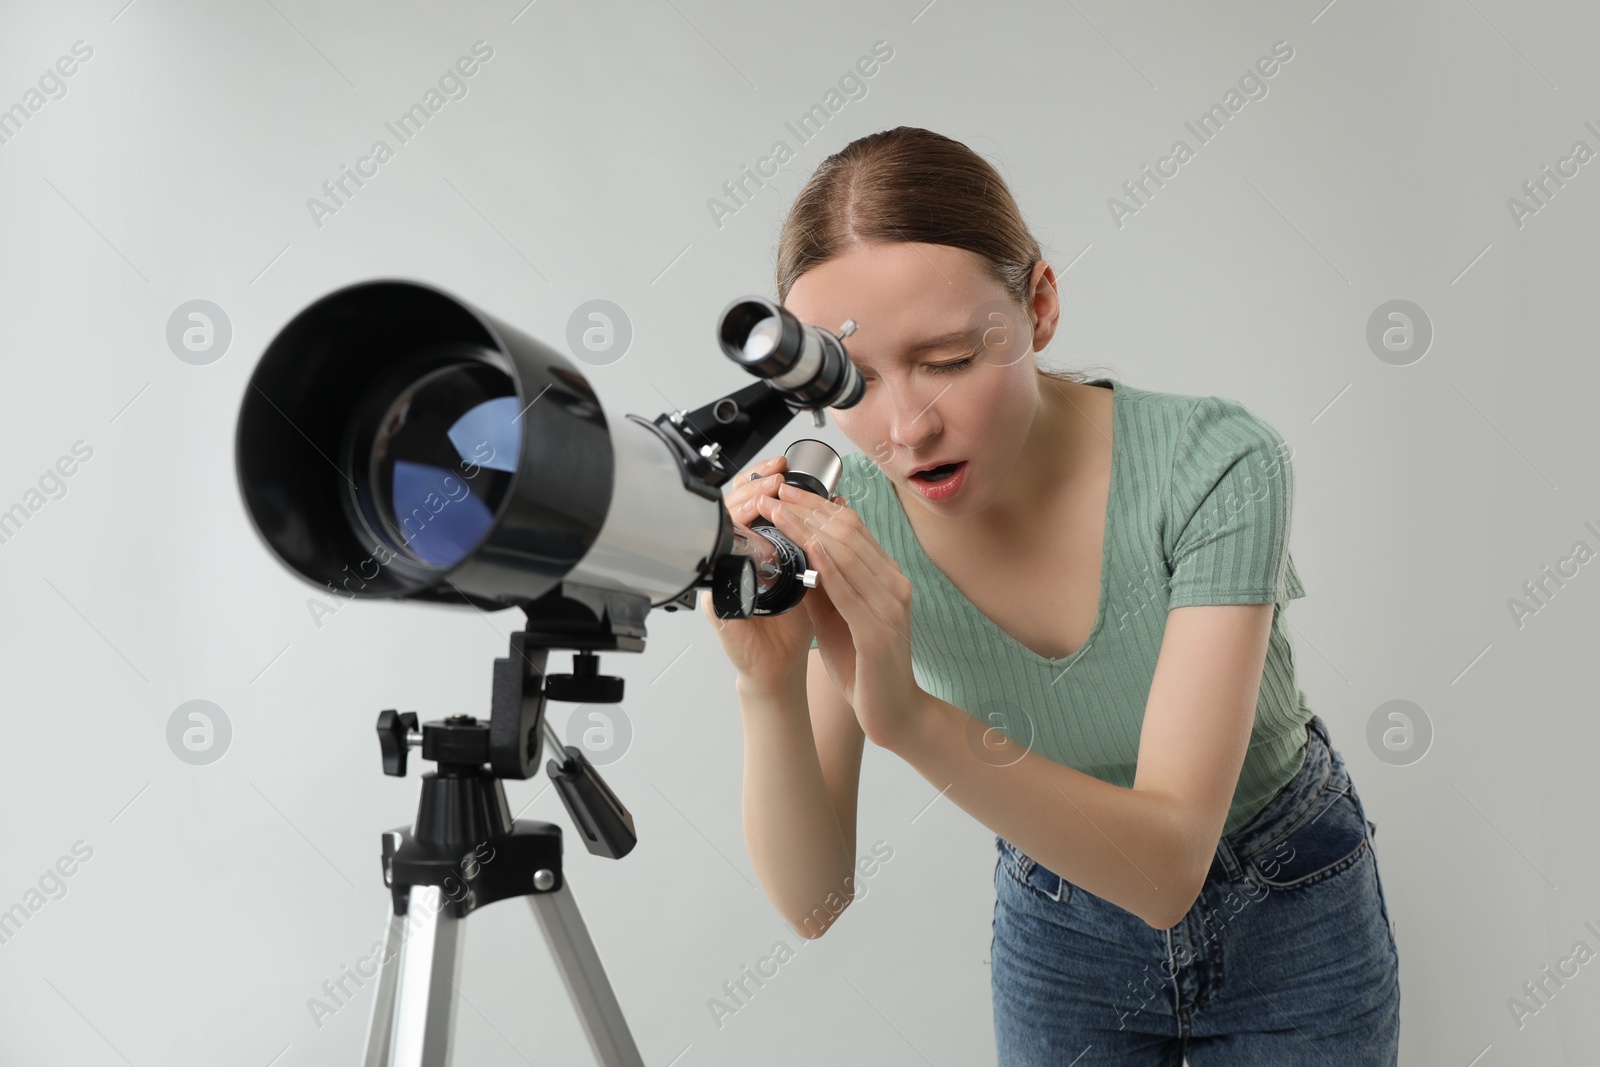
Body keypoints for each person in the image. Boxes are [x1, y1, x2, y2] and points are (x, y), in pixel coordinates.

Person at [703, 126, 1400, 1066]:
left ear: (1039, 304)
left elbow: (1164, 873)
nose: (906, 427)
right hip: (1060, 919)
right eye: (852, 382)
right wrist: (767, 683)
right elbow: (814, 902)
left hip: (1287, 896)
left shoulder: (1217, 465)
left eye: (948, 358)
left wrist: (906, 718)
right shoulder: (848, 513)